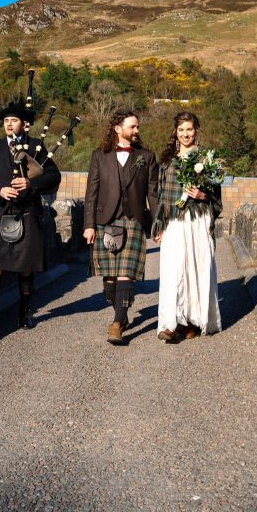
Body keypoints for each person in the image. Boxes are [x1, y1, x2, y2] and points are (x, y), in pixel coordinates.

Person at [0, 102, 61, 339]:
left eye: (13, 120)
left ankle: (24, 314)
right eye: (5, 121)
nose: (8, 124)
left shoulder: (36, 147)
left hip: (27, 213)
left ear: (25, 124)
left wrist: (31, 184)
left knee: (25, 268)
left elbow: (54, 177)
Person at [83, 109, 159, 345]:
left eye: (137, 127)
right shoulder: (100, 155)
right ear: (118, 129)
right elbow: (91, 194)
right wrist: (89, 225)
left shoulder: (146, 156)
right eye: (132, 126)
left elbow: (153, 194)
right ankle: (121, 310)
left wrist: (158, 224)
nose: (137, 130)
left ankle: (117, 323)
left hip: (133, 220)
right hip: (105, 220)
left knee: (126, 272)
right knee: (110, 281)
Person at [152, 112, 222, 342]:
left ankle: (192, 321)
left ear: (196, 130)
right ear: (175, 132)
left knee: (195, 268)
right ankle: (169, 323)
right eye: (181, 130)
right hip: (174, 221)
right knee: (172, 270)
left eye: (189, 130)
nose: (185, 134)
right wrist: (159, 224)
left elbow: (217, 199)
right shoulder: (166, 161)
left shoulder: (207, 160)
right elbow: (161, 196)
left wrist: (203, 195)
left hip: (197, 221)